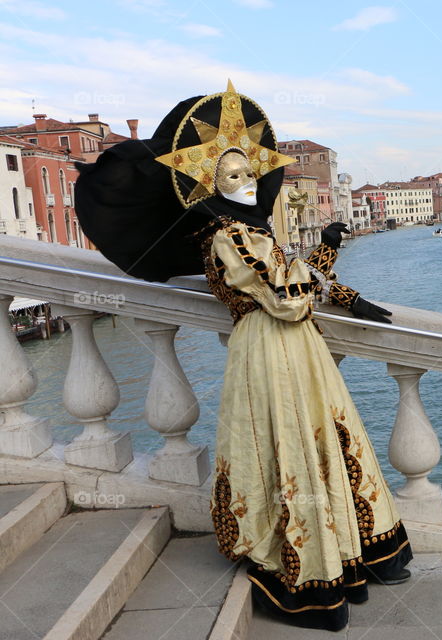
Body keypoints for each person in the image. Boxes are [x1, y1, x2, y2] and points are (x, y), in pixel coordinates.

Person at [74, 82, 412, 631]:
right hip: (271, 347)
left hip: (295, 350)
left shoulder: (247, 232)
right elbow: (283, 298)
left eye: (250, 174)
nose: (246, 184)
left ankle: (345, 553)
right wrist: (328, 270)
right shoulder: (229, 237)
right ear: (209, 185)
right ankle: (306, 571)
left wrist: (339, 271)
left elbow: (287, 278)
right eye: (232, 176)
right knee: (288, 447)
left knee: (318, 442)